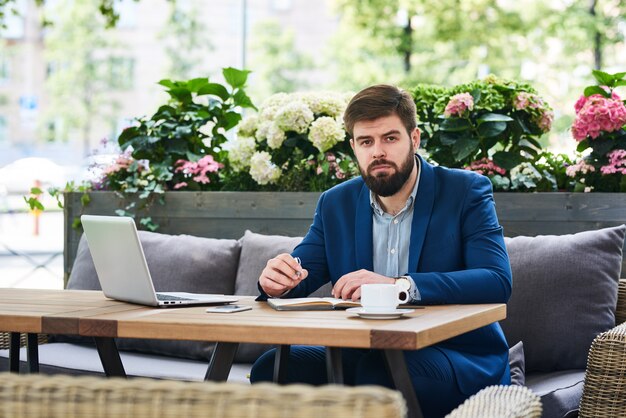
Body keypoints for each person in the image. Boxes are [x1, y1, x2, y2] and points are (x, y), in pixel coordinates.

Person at [250, 84, 512, 417]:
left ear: (414, 139)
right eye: (366, 142)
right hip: (365, 349)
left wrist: (398, 287)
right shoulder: (336, 203)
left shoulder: (466, 191)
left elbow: (497, 281)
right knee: (272, 369)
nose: (378, 152)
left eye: (390, 138)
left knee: (379, 374)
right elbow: (302, 271)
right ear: (353, 147)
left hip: (456, 354)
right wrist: (277, 280)